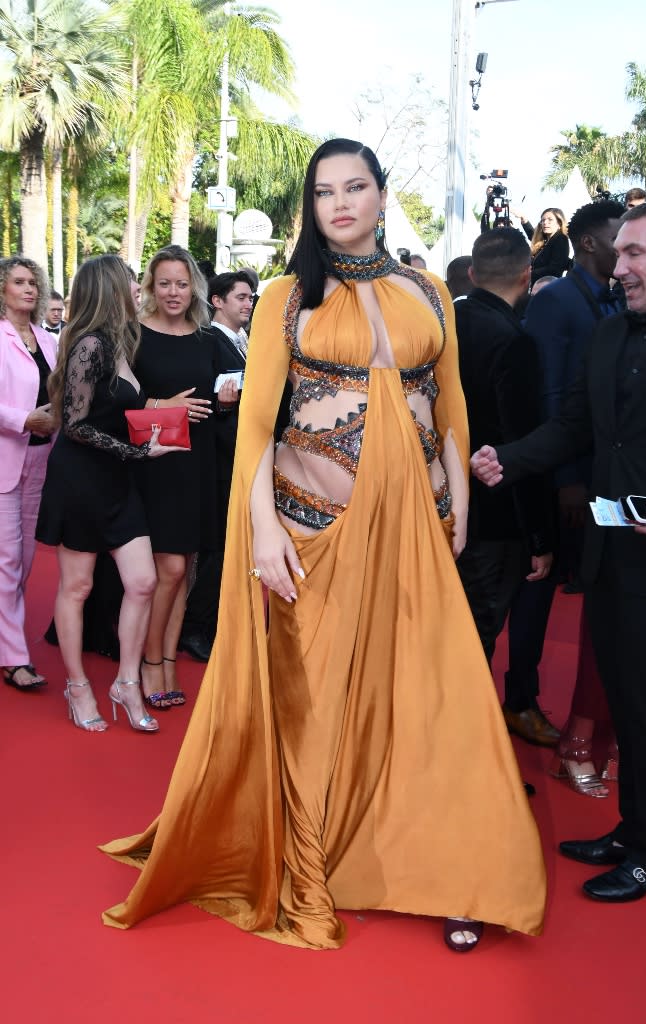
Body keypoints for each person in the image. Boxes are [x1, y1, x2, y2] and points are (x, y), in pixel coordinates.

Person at [100, 138, 546, 952]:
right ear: (311, 207)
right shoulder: (285, 296)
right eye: (323, 192)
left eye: (355, 187)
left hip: (418, 524)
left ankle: (458, 869)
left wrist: (461, 515)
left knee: (434, 694)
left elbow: (450, 410)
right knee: (315, 702)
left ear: (380, 195)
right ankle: (321, 861)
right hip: (313, 527)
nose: (339, 203)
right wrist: (264, 527)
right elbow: (259, 423)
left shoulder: (429, 292)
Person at [470, 199, 646, 902]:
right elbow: (572, 427)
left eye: (633, 255)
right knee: (623, 700)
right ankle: (631, 830)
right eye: (617, 254)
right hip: (608, 553)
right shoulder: (609, 335)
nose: (616, 267)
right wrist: (509, 457)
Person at [36, 254, 182, 733]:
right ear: (111, 289)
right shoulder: (90, 345)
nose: (138, 287)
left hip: (118, 479)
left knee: (141, 582)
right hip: (81, 480)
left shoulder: (122, 342)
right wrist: (140, 454)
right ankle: (77, 685)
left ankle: (125, 682)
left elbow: (118, 412)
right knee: (77, 587)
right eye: (131, 281)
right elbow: (75, 425)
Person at [524, 200, 625, 795]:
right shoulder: (558, 301)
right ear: (588, 242)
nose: (627, 250)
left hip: (608, 482)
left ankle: (595, 733)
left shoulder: (618, 301)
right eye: (621, 241)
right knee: (545, 593)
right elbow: (550, 395)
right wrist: (563, 477)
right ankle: (524, 703)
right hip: (565, 479)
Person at [454, 229, 557, 749]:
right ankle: (465, 767)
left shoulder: (444, 325)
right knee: (475, 640)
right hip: (497, 520)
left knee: (454, 638)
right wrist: (540, 536)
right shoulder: (513, 342)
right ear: (526, 276)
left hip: (442, 505)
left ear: (472, 274)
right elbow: (523, 447)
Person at [134, 245, 227, 709]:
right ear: (151, 286)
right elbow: (114, 407)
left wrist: (226, 398)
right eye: (165, 283)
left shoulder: (207, 338)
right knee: (168, 570)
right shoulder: (134, 337)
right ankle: (150, 662)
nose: (173, 292)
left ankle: (167, 659)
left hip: (198, 465)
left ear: (195, 287)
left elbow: (219, 393)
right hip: (155, 464)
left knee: (184, 571)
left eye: (181, 283)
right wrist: (160, 405)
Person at [179, 271, 253, 662]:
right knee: (220, 546)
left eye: (250, 297)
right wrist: (224, 406)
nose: (248, 303)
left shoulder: (242, 342)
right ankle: (196, 624)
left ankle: (206, 622)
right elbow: (208, 399)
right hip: (219, 456)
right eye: (240, 297)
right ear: (218, 301)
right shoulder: (209, 341)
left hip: (238, 454)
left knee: (227, 545)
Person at [0, 256, 56, 690]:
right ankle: (15, 657)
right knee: (7, 560)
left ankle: (8, 642)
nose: (29, 288)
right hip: (7, 456)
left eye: (33, 281)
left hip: (41, 459)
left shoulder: (46, 338)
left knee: (26, 560)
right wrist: (23, 420)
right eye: (19, 281)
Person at [530, 208, 571, 285]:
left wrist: (530, 274)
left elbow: (555, 269)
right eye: (543, 220)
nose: (545, 222)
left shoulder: (560, 239)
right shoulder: (545, 241)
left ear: (559, 223)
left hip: (548, 287)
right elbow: (532, 235)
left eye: (550, 220)